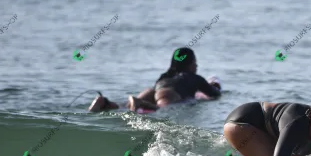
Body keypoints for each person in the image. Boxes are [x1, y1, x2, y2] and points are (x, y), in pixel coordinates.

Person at [88, 47, 221, 112]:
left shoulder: (165, 76)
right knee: (161, 108)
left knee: (125, 106)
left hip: (154, 90)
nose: (197, 66)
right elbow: (214, 94)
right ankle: (140, 102)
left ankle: (105, 102)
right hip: (169, 94)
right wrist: (214, 85)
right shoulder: (195, 78)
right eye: (195, 63)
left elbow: (159, 90)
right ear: (190, 64)